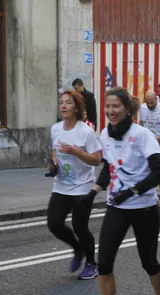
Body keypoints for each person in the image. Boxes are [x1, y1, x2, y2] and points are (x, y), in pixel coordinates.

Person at [88, 87, 160, 295]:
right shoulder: (105, 133)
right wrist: (94, 191)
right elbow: (109, 167)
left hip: (144, 207)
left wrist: (133, 190)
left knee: (149, 262)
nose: (111, 111)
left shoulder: (141, 135)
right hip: (117, 206)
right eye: (108, 107)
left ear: (127, 109)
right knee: (104, 263)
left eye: (116, 107)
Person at [47, 91, 102, 279]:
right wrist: (53, 163)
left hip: (82, 186)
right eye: (61, 102)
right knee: (54, 224)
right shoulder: (55, 129)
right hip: (61, 184)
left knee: (80, 227)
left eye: (68, 103)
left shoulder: (85, 131)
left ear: (76, 107)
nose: (63, 106)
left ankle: (92, 263)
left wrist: (75, 151)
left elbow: (96, 160)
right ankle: (78, 249)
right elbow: (55, 151)